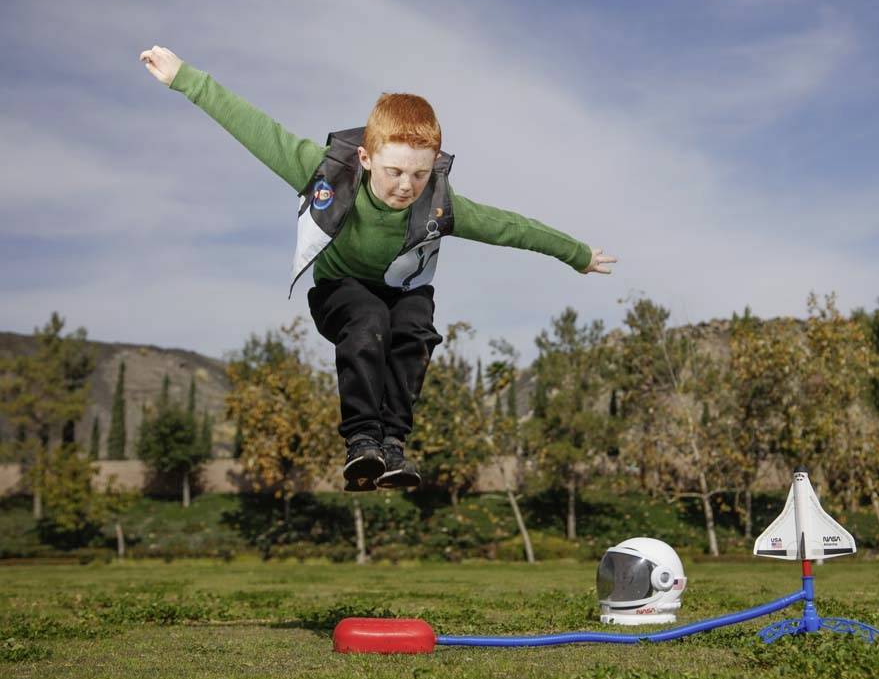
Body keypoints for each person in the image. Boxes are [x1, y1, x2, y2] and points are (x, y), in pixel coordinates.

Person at [139, 45, 617, 491]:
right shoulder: (321, 171)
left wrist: (577, 254)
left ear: (434, 168)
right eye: (394, 171)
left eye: (420, 173)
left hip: (402, 291)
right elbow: (255, 127)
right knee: (369, 321)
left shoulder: (440, 205)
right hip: (339, 293)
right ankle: (363, 441)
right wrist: (185, 77)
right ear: (366, 159)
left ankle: (393, 445)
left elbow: (512, 227)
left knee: (413, 329)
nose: (407, 186)